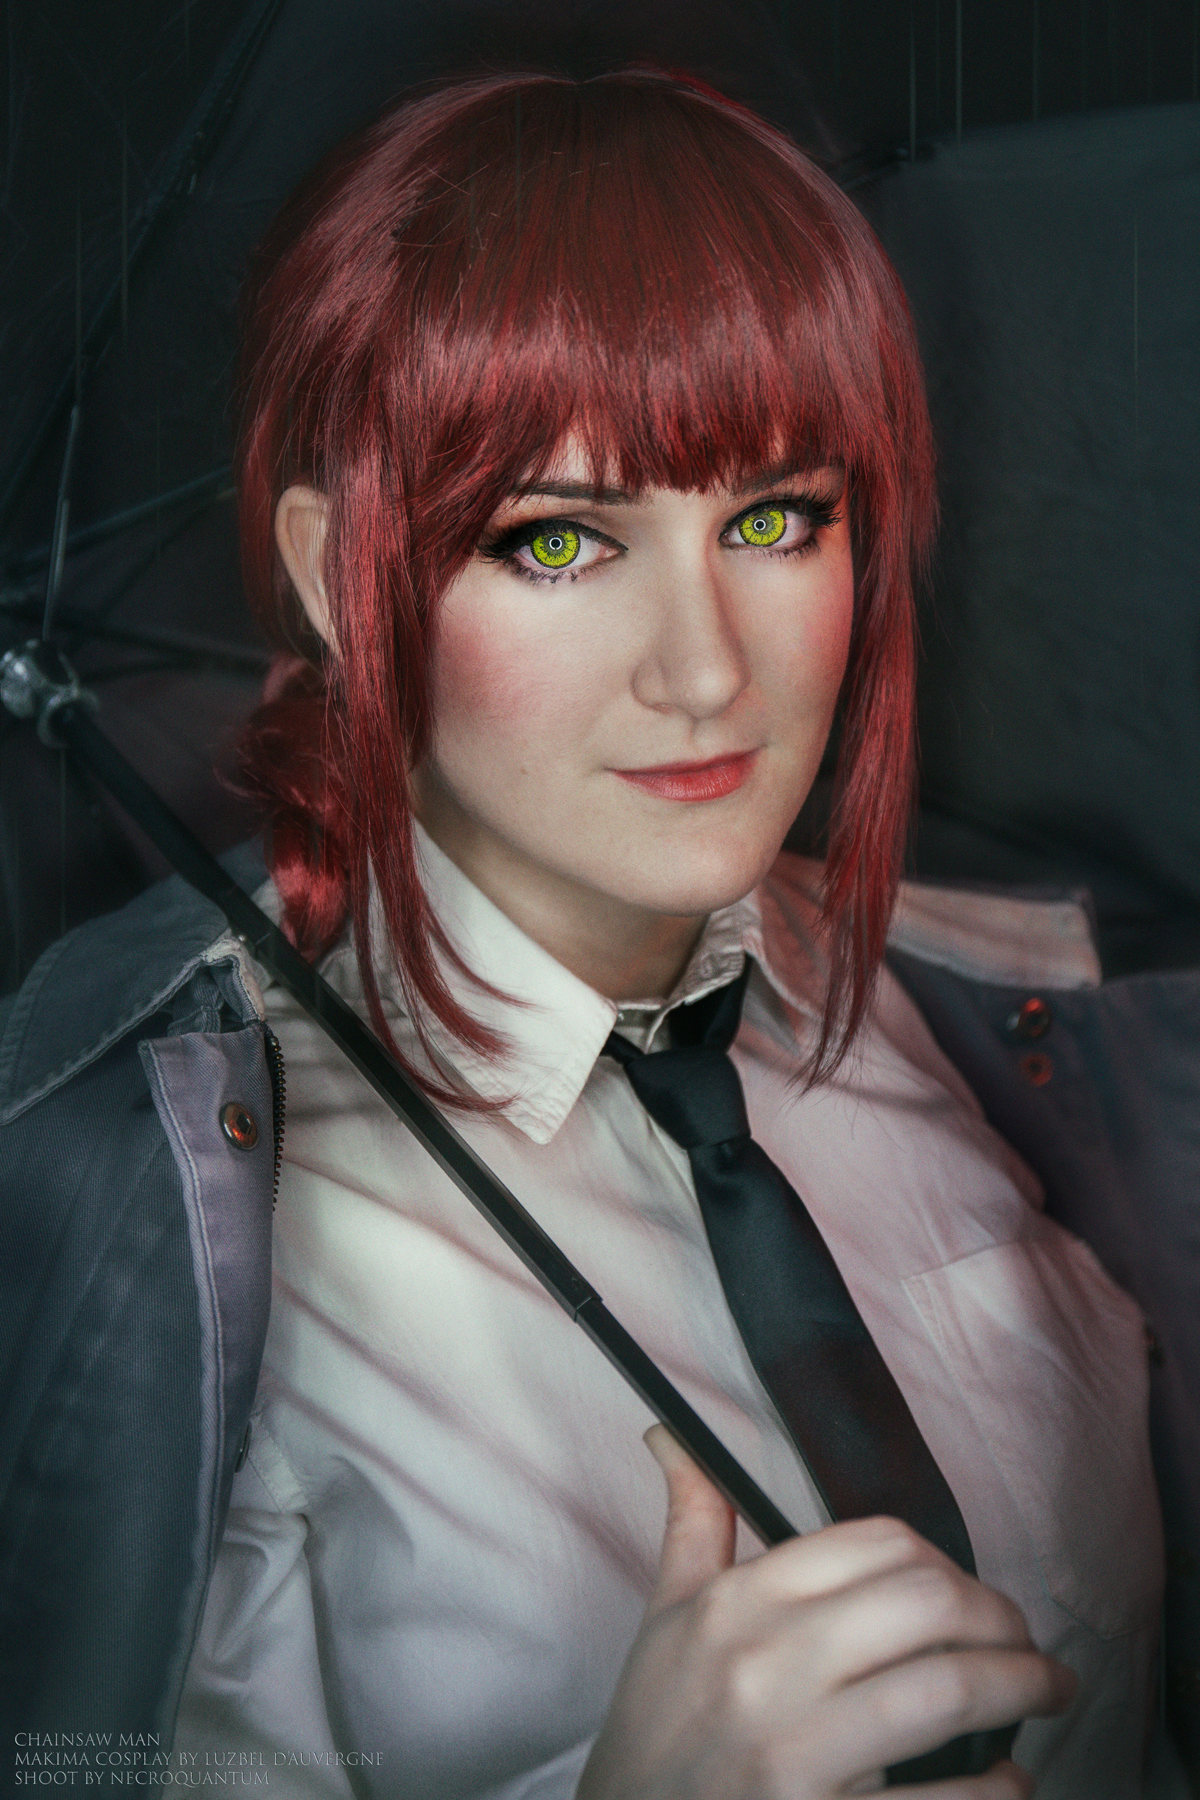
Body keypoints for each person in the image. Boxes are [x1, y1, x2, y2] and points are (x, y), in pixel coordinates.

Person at [0, 68, 1173, 1800]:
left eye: (775, 519)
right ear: (337, 580)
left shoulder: (958, 1000)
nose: (706, 670)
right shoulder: (174, 1251)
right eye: (556, 542)